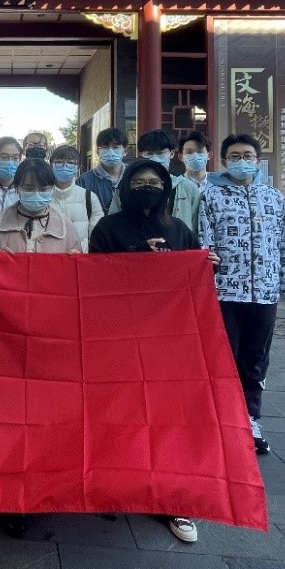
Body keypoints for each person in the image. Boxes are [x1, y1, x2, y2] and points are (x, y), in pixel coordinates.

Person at [89, 157, 219, 545]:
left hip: (169, 344)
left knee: (167, 420)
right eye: (139, 181)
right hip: (120, 340)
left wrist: (206, 265)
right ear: (127, 186)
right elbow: (95, 278)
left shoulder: (178, 230)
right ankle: (115, 487)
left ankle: (172, 498)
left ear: (166, 189)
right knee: (119, 415)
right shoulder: (108, 228)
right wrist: (138, 263)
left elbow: (192, 282)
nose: (147, 187)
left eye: (155, 181)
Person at [0, 156, 80, 538]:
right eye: (28, 187)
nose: (36, 194)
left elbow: (77, 280)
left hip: (49, 339)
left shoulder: (66, 229)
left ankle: (39, 490)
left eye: (43, 188)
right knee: (7, 416)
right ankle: (9, 495)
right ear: (17, 188)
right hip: (4, 338)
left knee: (43, 416)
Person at [199, 133, 285, 457]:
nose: (241, 161)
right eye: (234, 156)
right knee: (224, 358)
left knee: (255, 360)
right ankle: (222, 421)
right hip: (225, 292)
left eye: (247, 156)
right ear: (223, 161)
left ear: (258, 161)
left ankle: (251, 419)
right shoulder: (209, 195)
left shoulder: (274, 198)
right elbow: (203, 242)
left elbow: (284, 244)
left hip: (264, 293)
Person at [108, 129, 177, 215]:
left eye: (160, 153)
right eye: (149, 154)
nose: (154, 158)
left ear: (172, 153)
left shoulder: (184, 186)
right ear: (142, 155)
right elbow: (113, 217)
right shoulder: (126, 185)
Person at [48, 144, 103, 252]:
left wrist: (80, 249)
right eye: (59, 162)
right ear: (51, 165)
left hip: (80, 256)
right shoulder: (42, 197)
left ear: (78, 168)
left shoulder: (89, 198)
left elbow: (96, 235)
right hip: (50, 257)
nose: (65, 166)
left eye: (70, 163)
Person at [171, 130, 213, 241]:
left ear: (209, 155)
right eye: (189, 152)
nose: (195, 156)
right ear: (181, 156)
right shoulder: (175, 187)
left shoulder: (218, 187)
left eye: (200, 152)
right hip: (185, 243)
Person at [77, 127, 127, 211]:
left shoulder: (134, 175)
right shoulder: (84, 181)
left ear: (125, 151)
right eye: (105, 147)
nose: (110, 151)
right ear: (97, 152)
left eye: (115, 147)